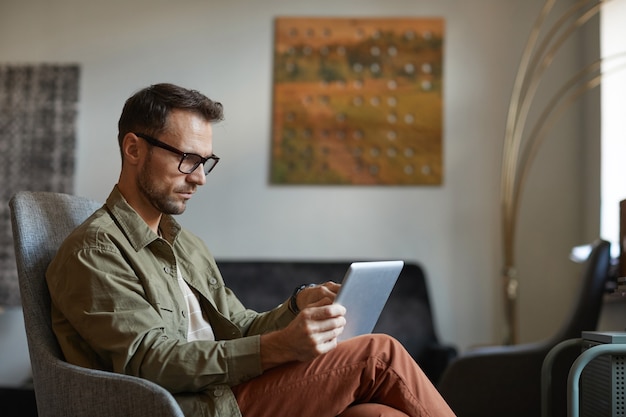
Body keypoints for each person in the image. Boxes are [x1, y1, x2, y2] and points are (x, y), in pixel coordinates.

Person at [46, 83, 456, 417]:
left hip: (233, 393)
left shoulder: (185, 243)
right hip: (196, 407)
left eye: (206, 162)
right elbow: (149, 364)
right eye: (188, 159)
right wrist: (281, 347)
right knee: (376, 354)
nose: (200, 178)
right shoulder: (95, 250)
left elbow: (239, 325)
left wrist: (297, 307)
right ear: (134, 149)